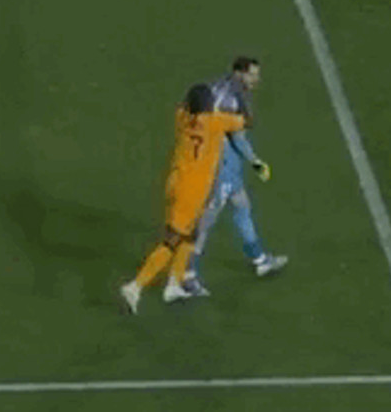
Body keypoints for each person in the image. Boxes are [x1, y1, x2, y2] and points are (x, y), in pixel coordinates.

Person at [119, 84, 246, 314]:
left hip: (176, 182)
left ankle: (174, 285)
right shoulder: (217, 122)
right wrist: (240, 96)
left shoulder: (182, 117)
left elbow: (185, 106)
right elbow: (245, 120)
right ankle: (135, 287)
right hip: (192, 192)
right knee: (173, 240)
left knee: (191, 234)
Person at [181, 57, 286, 296]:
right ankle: (188, 275)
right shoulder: (231, 100)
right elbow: (237, 137)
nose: (256, 79)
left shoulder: (220, 87)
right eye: (252, 74)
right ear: (239, 73)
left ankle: (260, 260)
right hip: (219, 169)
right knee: (205, 222)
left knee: (242, 205)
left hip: (225, 165)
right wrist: (255, 161)